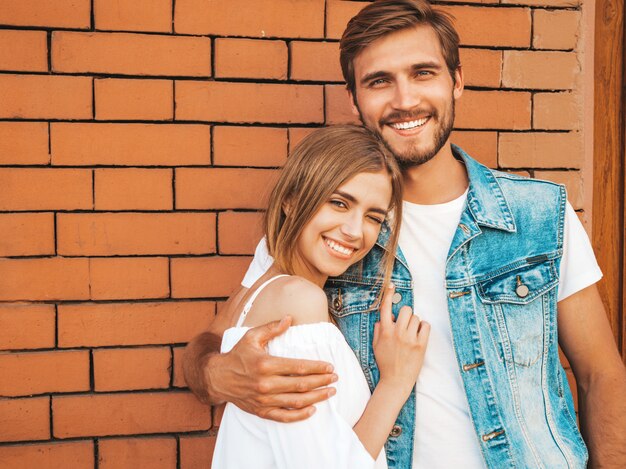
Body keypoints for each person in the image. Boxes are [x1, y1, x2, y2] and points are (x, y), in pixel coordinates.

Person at [184, 1, 626, 468]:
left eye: (423, 73)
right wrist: (219, 375)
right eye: (379, 81)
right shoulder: (321, 230)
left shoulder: (540, 214)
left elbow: (601, 375)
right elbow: (211, 345)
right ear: (354, 99)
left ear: (456, 81)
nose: (404, 100)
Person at [210, 124, 429, 468]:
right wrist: (396, 383)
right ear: (291, 201)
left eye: (373, 217)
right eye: (339, 203)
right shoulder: (299, 300)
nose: (355, 231)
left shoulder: (261, 281)